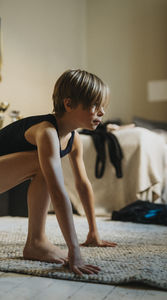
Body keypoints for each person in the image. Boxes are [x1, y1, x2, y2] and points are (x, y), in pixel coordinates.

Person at [0, 69, 116, 276]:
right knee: (43, 163)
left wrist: (93, 232)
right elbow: (56, 189)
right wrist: (75, 250)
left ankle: (36, 242)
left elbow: (82, 184)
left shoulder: (73, 138)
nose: (102, 112)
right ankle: (37, 242)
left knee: (45, 164)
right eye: (95, 105)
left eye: (103, 106)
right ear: (68, 104)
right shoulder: (46, 132)